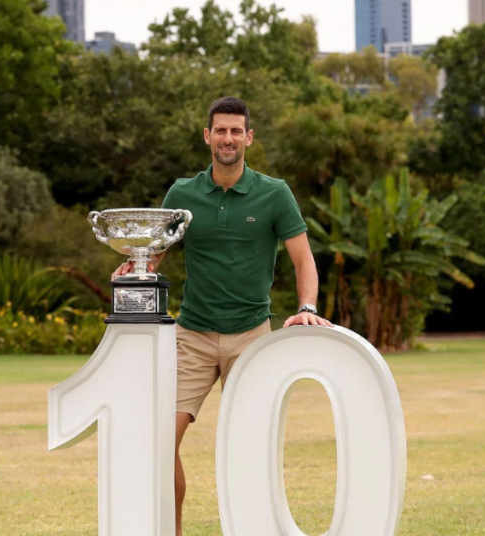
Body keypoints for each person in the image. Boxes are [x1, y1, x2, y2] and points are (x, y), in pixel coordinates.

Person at [110, 95, 331, 536]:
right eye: (220, 130)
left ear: (249, 137)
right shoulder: (182, 194)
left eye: (236, 130)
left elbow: (304, 260)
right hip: (191, 336)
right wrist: (137, 268)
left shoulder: (274, 193)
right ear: (207, 136)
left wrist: (306, 308)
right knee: (158, 442)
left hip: (251, 336)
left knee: (250, 449)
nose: (227, 138)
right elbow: (157, 256)